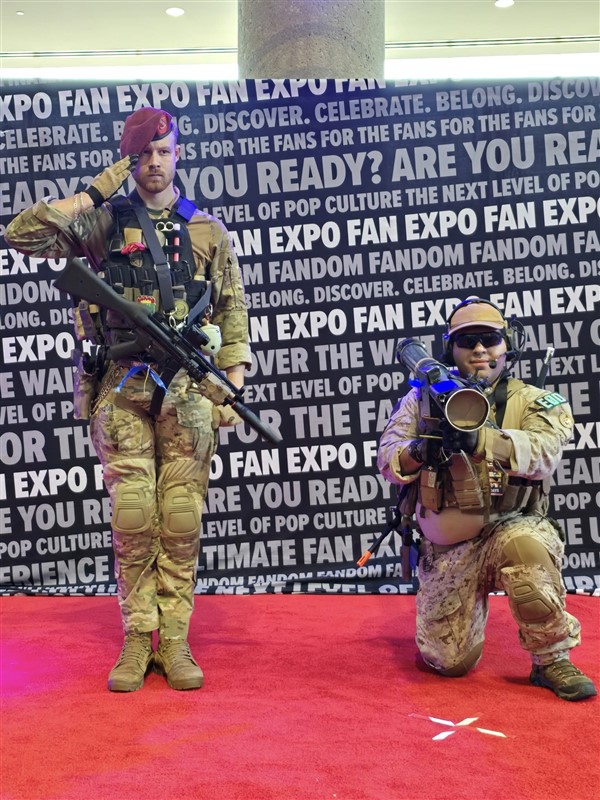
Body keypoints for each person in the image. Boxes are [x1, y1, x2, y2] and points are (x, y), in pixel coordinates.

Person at [5, 107, 252, 693]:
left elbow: (232, 310)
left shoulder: (207, 230)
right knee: (134, 518)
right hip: (123, 386)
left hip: (188, 390)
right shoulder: (101, 223)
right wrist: (95, 192)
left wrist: (232, 382)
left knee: (181, 518)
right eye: (142, 155)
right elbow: (20, 235)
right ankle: (139, 636)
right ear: (127, 161)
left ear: (178, 155)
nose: (154, 164)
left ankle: (175, 638)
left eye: (164, 152)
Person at [377, 298, 597, 701]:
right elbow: (387, 460)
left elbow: (545, 451)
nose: (479, 349)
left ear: (507, 344)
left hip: (509, 523)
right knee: (448, 662)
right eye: (467, 341)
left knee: (527, 551)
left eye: (489, 339)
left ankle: (552, 659)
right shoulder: (418, 401)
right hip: (449, 542)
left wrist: (483, 440)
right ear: (450, 349)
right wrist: (421, 450)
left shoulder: (532, 400)